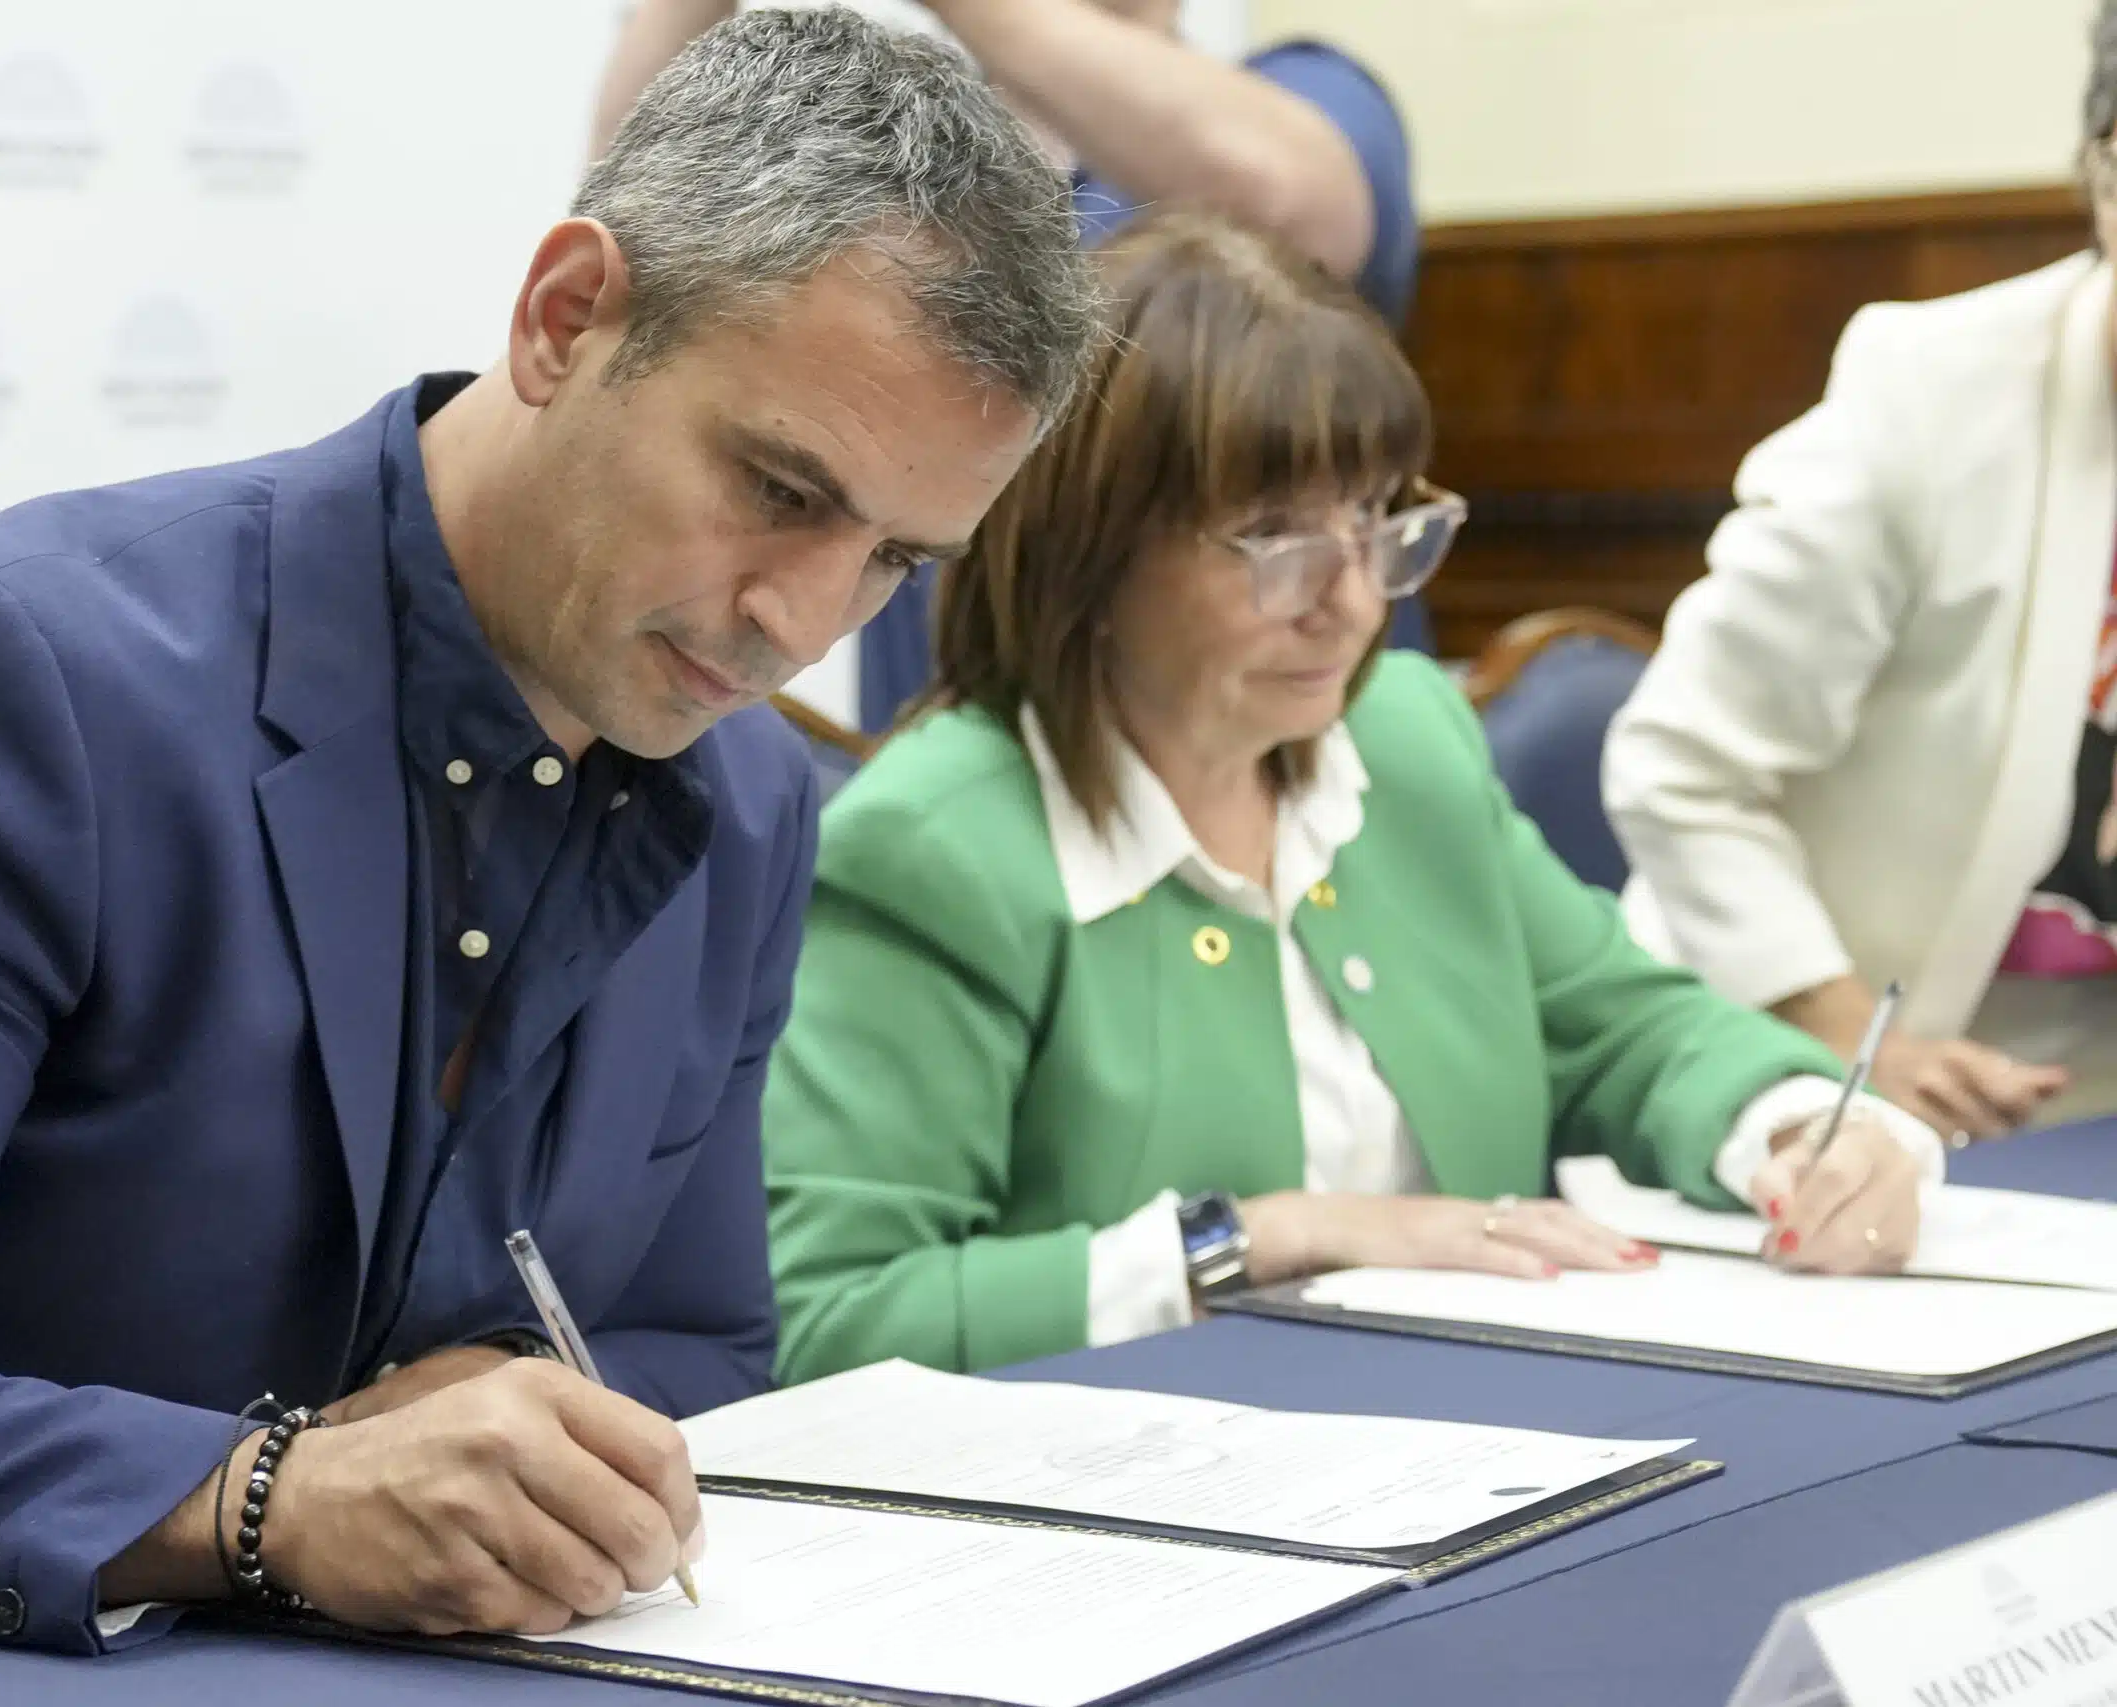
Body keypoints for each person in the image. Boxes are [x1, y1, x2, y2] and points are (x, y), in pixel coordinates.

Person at [0, 12, 1099, 1690]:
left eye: (894, 561)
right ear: (565, 317)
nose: (800, 623)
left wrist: (495, 1414)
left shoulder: (748, 797)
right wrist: (271, 1493)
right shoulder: (7, 689)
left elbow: (695, 1341)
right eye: (778, 487)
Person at [759, 212, 1939, 1386]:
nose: (1357, 601)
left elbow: (1616, 1030)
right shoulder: (933, 847)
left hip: (1484, 1434)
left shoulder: (1399, 739)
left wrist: (1795, 1130)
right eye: (1277, 540)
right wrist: (1267, 1237)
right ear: (1090, 554)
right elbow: (840, 1315)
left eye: (1379, 522)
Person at [593, 0, 1426, 734]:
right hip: (965, 744)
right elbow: (652, 207)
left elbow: (1287, 200)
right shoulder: (899, 139)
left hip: (1257, 737)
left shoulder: (1307, 92)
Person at [1602, 5, 2117, 1144]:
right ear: (2098, 172)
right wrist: (1837, 1031)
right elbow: (1676, 768)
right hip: (1834, 1090)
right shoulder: (1931, 399)